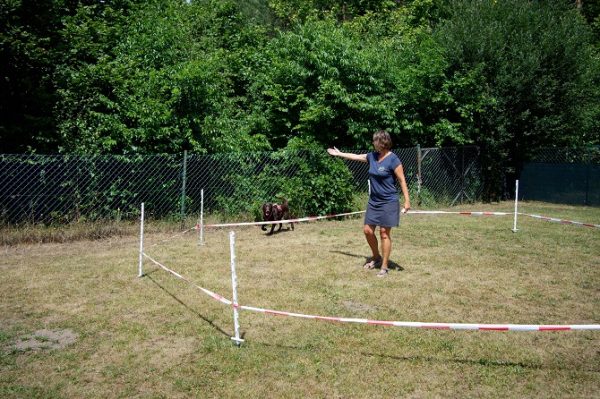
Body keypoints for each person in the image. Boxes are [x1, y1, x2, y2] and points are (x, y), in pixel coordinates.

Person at [327, 130, 411, 277]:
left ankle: (384, 266)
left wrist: (407, 201)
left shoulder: (393, 160)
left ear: (382, 142)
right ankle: (376, 256)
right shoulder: (372, 156)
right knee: (367, 230)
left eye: (375, 141)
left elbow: (402, 180)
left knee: (384, 233)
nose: (373, 143)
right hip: (374, 201)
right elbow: (356, 156)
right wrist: (339, 154)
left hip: (389, 201)